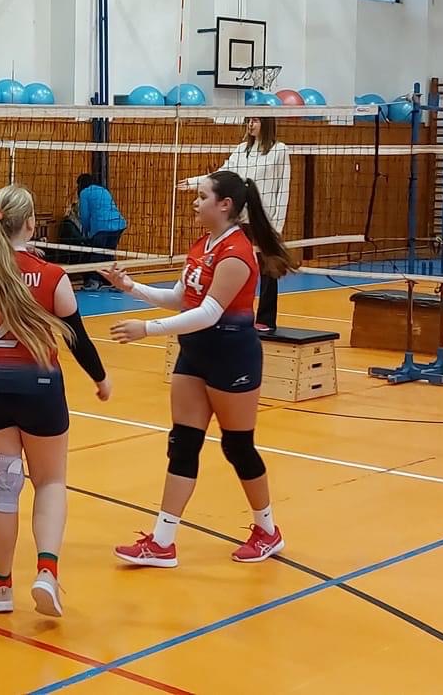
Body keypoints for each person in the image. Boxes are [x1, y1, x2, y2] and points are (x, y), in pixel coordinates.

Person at [106, 170, 296, 568]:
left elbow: (209, 313)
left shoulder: (237, 253)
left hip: (232, 355)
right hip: (195, 353)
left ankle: (267, 531)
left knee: (237, 446)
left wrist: (147, 329)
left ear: (224, 205)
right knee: (183, 443)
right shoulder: (202, 244)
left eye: (203, 196)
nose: (195, 201)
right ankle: (162, 541)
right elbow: (181, 298)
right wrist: (131, 288)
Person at [0, 185, 111, 617]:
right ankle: (47, 572)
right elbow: (77, 339)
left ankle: (1, 586)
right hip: (40, 386)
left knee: (2, 489)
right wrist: (100, 378)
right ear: (31, 224)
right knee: (49, 482)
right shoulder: (51, 276)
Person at [186, 117, 290, 330]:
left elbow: (283, 189)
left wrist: (277, 225)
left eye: (255, 120)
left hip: (264, 219)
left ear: (266, 123)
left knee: (268, 269)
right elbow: (221, 175)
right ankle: (231, 315)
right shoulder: (242, 150)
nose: (250, 124)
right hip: (240, 217)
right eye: (248, 120)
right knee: (234, 264)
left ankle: (266, 319)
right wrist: (194, 182)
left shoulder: (279, 150)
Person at [72, 174, 127, 289]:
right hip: (118, 224)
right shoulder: (103, 190)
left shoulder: (84, 193)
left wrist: (86, 232)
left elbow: (85, 215)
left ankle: (94, 281)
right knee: (108, 253)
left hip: (102, 226)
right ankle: (115, 281)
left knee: (96, 254)